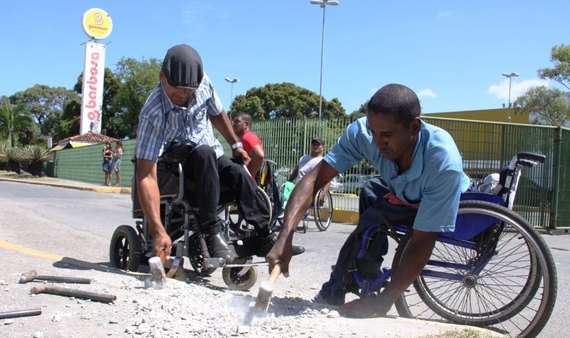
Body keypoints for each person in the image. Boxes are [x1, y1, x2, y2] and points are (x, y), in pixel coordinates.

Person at [267, 83, 470, 318]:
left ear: (414, 127)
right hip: (402, 191)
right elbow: (314, 179)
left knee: (374, 216)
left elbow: (422, 240)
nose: (376, 143)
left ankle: (339, 284)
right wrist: (286, 234)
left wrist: (383, 302)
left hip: (440, 198)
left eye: (387, 135)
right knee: (371, 190)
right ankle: (366, 268)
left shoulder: (442, 161)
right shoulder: (363, 132)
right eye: (373, 132)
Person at [135, 44, 303, 262]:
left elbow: (217, 113)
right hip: (176, 167)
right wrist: (158, 230)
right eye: (177, 89)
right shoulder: (152, 113)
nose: (183, 95)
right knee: (204, 152)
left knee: (237, 172)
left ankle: (264, 235)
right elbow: (146, 174)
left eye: (188, 90)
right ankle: (211, 232)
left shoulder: (203, 83)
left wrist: (235, 144)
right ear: (162, 77)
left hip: (208, 159)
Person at [232, 112, 264, 180]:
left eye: (237, 121)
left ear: (246, 124)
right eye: (233, 122)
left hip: (250, 185)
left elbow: (259, 155)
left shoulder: (247, 137)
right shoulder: (243, 139)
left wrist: (249, 178)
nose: (233, 124)